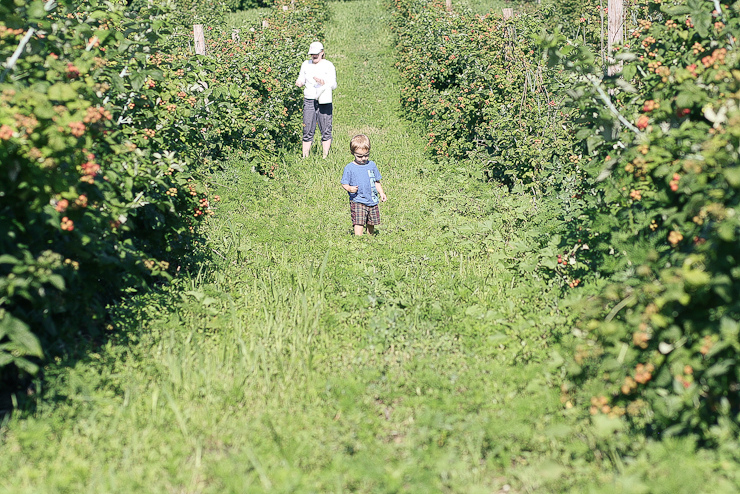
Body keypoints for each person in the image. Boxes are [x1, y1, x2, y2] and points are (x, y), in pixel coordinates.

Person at [295, 41, 337, 158]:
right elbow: (301, 77)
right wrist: (299, 82)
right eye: (312, 54)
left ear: (322, 53)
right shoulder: (306, 64)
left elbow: (333, 84)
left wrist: (323, 82)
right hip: (309, 99)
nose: (314, 56)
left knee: (325, 127)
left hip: (324, 99)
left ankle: (325, 156)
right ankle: (305, 156)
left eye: (316, 54)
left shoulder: (328, 65)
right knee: (307, 127)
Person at [340, 134, 387, 236]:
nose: (363, 158)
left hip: (372, 199)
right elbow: (344, 183)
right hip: (357, 199)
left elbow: (376, 181)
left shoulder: (372, 165)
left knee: (372, 222)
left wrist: (381, 193)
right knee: (359, 221)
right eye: (360, 156)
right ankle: (358, 239)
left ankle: (370, 238)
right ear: (352, 153)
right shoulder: (349, 168)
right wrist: (349, 188)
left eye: (366, 155)